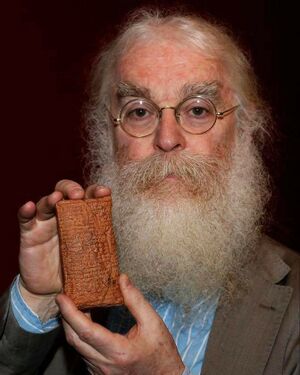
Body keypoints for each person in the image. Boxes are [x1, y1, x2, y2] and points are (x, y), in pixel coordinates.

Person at [0, 8, 299, 375]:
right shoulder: (78, 279)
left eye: (199, 110)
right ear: (107, 137)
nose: (167, 138)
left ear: (246, 131)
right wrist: (40, 301)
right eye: (139, 112)